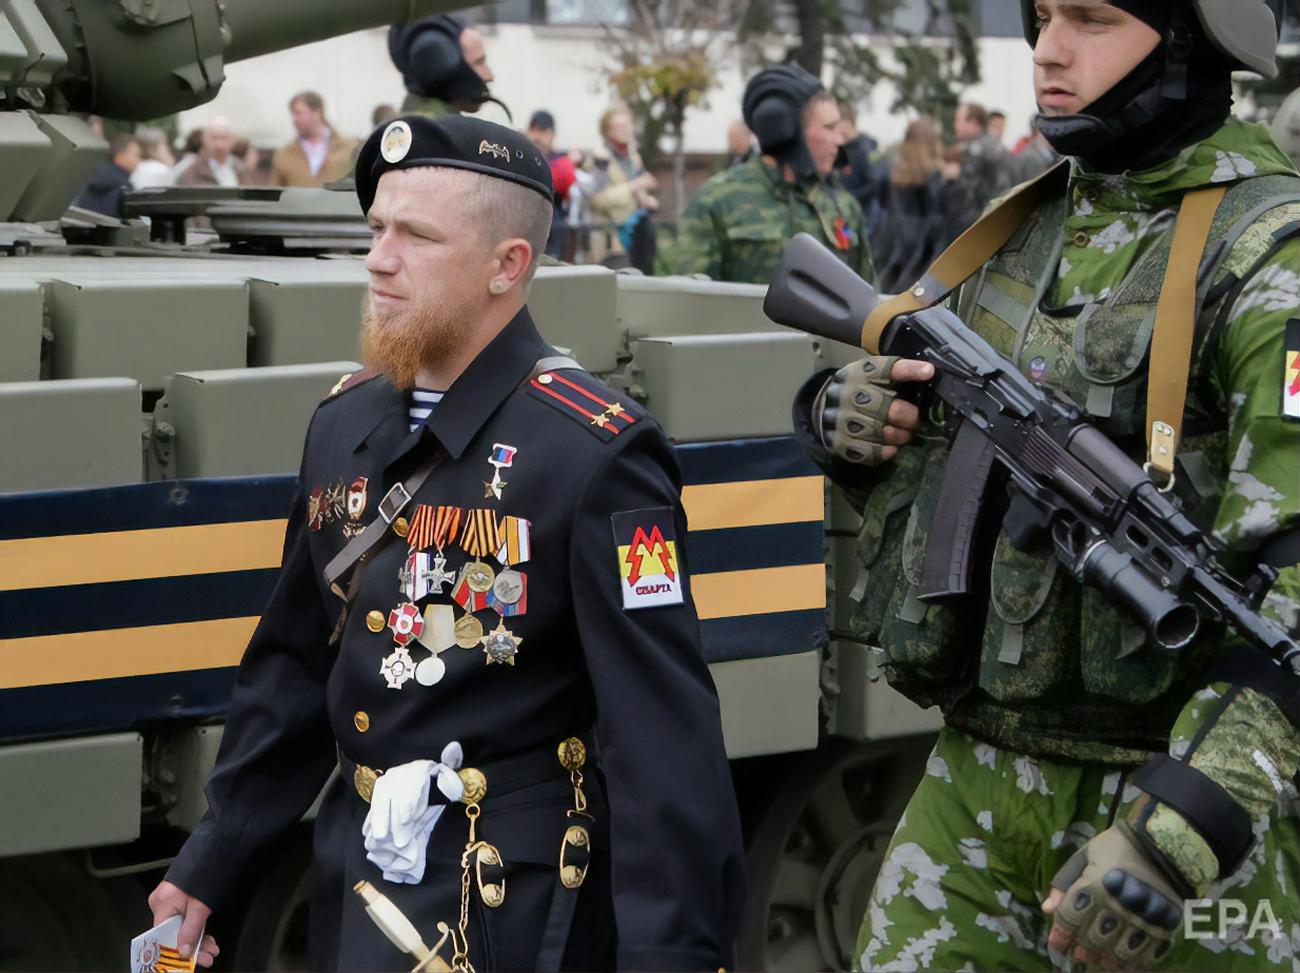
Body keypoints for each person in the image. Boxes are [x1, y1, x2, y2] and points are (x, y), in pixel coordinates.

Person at [146, 112, 745, 973]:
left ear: (509, 266)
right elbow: (292, 670)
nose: (378, 258)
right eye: (377, 228)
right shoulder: (343, 421)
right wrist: (214, 858)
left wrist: (672, 956)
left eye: (416, 235)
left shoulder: (594, 450)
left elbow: (662, 740)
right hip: (356, 879)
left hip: (509, 903)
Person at [795, 1, 1300, 970]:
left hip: (1170, 803)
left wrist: (1183, 828)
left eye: (1092, 18)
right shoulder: (1027, 223)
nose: (1049, 51)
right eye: (1040, 18)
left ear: (1198, 33)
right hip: (975, 777)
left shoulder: (1267, 251)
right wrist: (844, 416)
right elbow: (932, 443)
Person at [671, 65, 875, 285]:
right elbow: (689, 300)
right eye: (829, 128)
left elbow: (869, 299)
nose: (839, 140)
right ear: (785, 131)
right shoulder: (718, 201)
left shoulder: (842, 205)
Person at [873, 115, 947, 291]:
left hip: (891, 252)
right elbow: (936, 226)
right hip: (919, 260)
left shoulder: (894, 173)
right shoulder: (935, 177)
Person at [585, 105, 659, 271]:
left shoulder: (633, 157)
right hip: (611, 240)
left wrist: (646, 199)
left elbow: (638, 190)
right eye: (619, 126)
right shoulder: (601, 159)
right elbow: (597, 199)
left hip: (637, 237)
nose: (626, 130)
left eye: (628, 124)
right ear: (608, 132)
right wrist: (634, 186)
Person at [389, 14, 494, 119]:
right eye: (478, 62)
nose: (489, 76)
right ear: (440, 65)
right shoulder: (438, 132)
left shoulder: (405, 129)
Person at [942, 100, 1015, 241]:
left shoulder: (977, 150)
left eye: (958, 120)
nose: (955, 125)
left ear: (973, 123)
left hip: (977, 233)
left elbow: (967, 200)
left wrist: (956, 176)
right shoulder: (993, 146)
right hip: (993, 229)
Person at [271, 91, 359, 188]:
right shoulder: (284, 155)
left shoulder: (348, 149)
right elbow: (274, 194)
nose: (294, 119)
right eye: (293, 114)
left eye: (298, 113)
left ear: (317, 112)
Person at [526, 110, 577, 259]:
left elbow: (561, 182)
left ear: (553, 134)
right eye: (533, 130)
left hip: (553, 232)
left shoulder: (561, 161)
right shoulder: (524, 157)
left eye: (542, 131)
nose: (537, 136)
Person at [835, 98, 887, 231]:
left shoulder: (866, 150)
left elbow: (875, 185)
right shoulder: (841, 147)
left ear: (848, 122)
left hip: (861, 218)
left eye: (837, 124)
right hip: (841, 215)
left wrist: (849, 197)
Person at [72, 133, 141, 217]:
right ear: (120, 155)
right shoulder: (124, 186)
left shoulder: (92, 175)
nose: (138, 160)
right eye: (136, 155)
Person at [174, 117, 245, 187]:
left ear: (233, 141)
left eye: (224, 138)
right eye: (213, 138)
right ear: (203, 140)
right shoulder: (189, 174)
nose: (219, 144)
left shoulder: (242, 169)